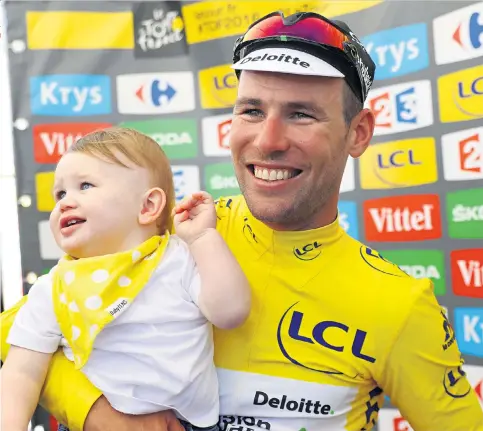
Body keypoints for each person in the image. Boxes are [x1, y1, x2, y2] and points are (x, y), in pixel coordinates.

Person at [2, 10, 483, 431]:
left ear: (358, 133)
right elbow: (14, 336)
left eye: (301, 114)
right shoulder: (167, 231)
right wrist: (97, 413)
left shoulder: (398, 304)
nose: (268, 139)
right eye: (251, 110)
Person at [0, 127, 251, 431]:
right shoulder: (54, 288)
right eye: (60, 193)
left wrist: (204, 238)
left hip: (189, 425)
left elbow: (231, 312)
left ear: (147, 207)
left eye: (85, 186)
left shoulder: (177, 259)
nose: (65, 202)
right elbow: (21, 374)